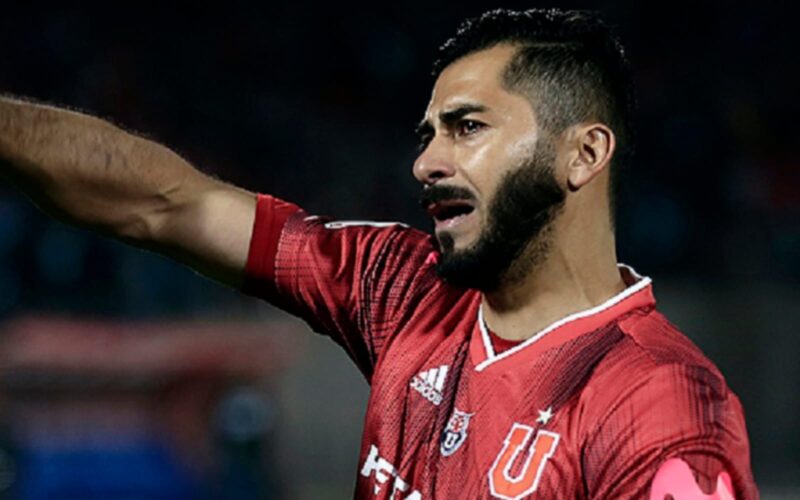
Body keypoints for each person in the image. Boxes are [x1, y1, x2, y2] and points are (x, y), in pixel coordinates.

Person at [0, 8, 758, 499]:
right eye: (427, 135)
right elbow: (168, 204)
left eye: (467, 128)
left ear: (583, 153)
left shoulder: (660, 404)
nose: (427, 163)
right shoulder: (401, 287)